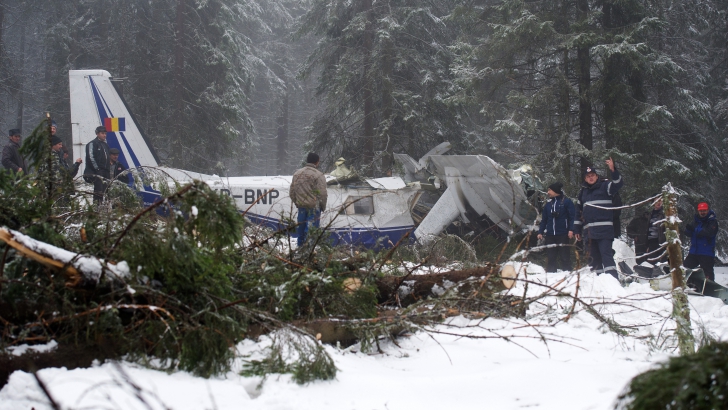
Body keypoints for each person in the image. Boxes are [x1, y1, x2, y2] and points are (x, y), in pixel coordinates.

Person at [574, 157, 624, 279]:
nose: (590, 177)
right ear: (585, 179)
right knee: (593, 259)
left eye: (592, 175)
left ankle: (613, 281)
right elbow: (578, 212)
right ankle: (598, 282)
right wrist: (576, 230)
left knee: (606, 256)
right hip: (589, 233)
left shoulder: (606, 186)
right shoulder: (583, 192)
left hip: (604, 231)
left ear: (597, 176)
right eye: (588, 176)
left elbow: (618, 184)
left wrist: (613, 170)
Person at [290, 152, 327, 247]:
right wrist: (322, 206)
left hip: (301, 207)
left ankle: (300, 251)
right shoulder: (318, 175)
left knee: (301, 231)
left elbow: (292, 192)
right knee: (310, 232)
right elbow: (322, 193)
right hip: (314, 207)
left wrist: (297, 203)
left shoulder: (297, 174)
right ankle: (308, 253)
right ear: (317, 162)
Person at [537, 182, 576, 273]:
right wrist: (540, 232)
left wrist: (571, 230)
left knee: (565, 256)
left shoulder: (566, 202)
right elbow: (544, 220)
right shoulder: (548, 205)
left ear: (555, 191)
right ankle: (551, 275)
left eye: (549, 190)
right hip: (550, 235)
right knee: (551, 257)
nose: (548, 192)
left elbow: (572, 217)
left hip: (563, 234)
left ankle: (567, 274)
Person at [683, 202, 719, 281]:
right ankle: (688, 284)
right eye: (701, 211)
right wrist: (687, 230)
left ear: (708, 210)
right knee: (685, 268)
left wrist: (694, 230)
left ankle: (710, 288)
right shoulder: (695, 221)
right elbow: (689, 233)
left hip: (706, 252)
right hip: (694, 251)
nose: (702, 212)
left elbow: (709, 232)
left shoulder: (712, 221)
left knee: (707, 273)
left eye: (704, 211)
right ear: (698, 211)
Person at [84, 126, 111, 204]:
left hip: (106, 171)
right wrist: (97, 169)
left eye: (105, 133)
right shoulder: (92, 143)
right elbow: (90, 157)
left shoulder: (105, 145)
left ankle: (105, 207)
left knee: (106, 191)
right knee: (98, 191)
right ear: (97, 134)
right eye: (102, 133)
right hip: (98, 171)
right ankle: (97, 207)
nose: (104, 135)